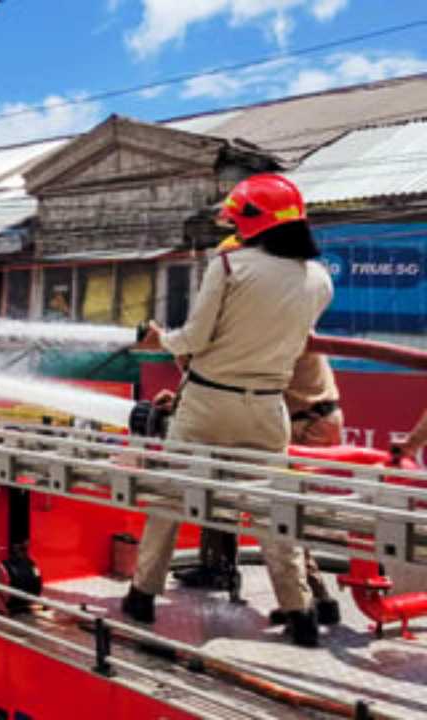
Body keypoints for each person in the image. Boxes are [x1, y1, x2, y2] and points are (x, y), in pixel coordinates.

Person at [124, 173, 333, 647]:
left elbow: (196, 339)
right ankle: (299, 613)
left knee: (170, 498)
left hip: (207, 403)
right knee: (273, 512)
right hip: (266, 409)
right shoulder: (320, 280)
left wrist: (163, 340)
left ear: (250, 220)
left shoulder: (231, 266)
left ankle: (142, 595)